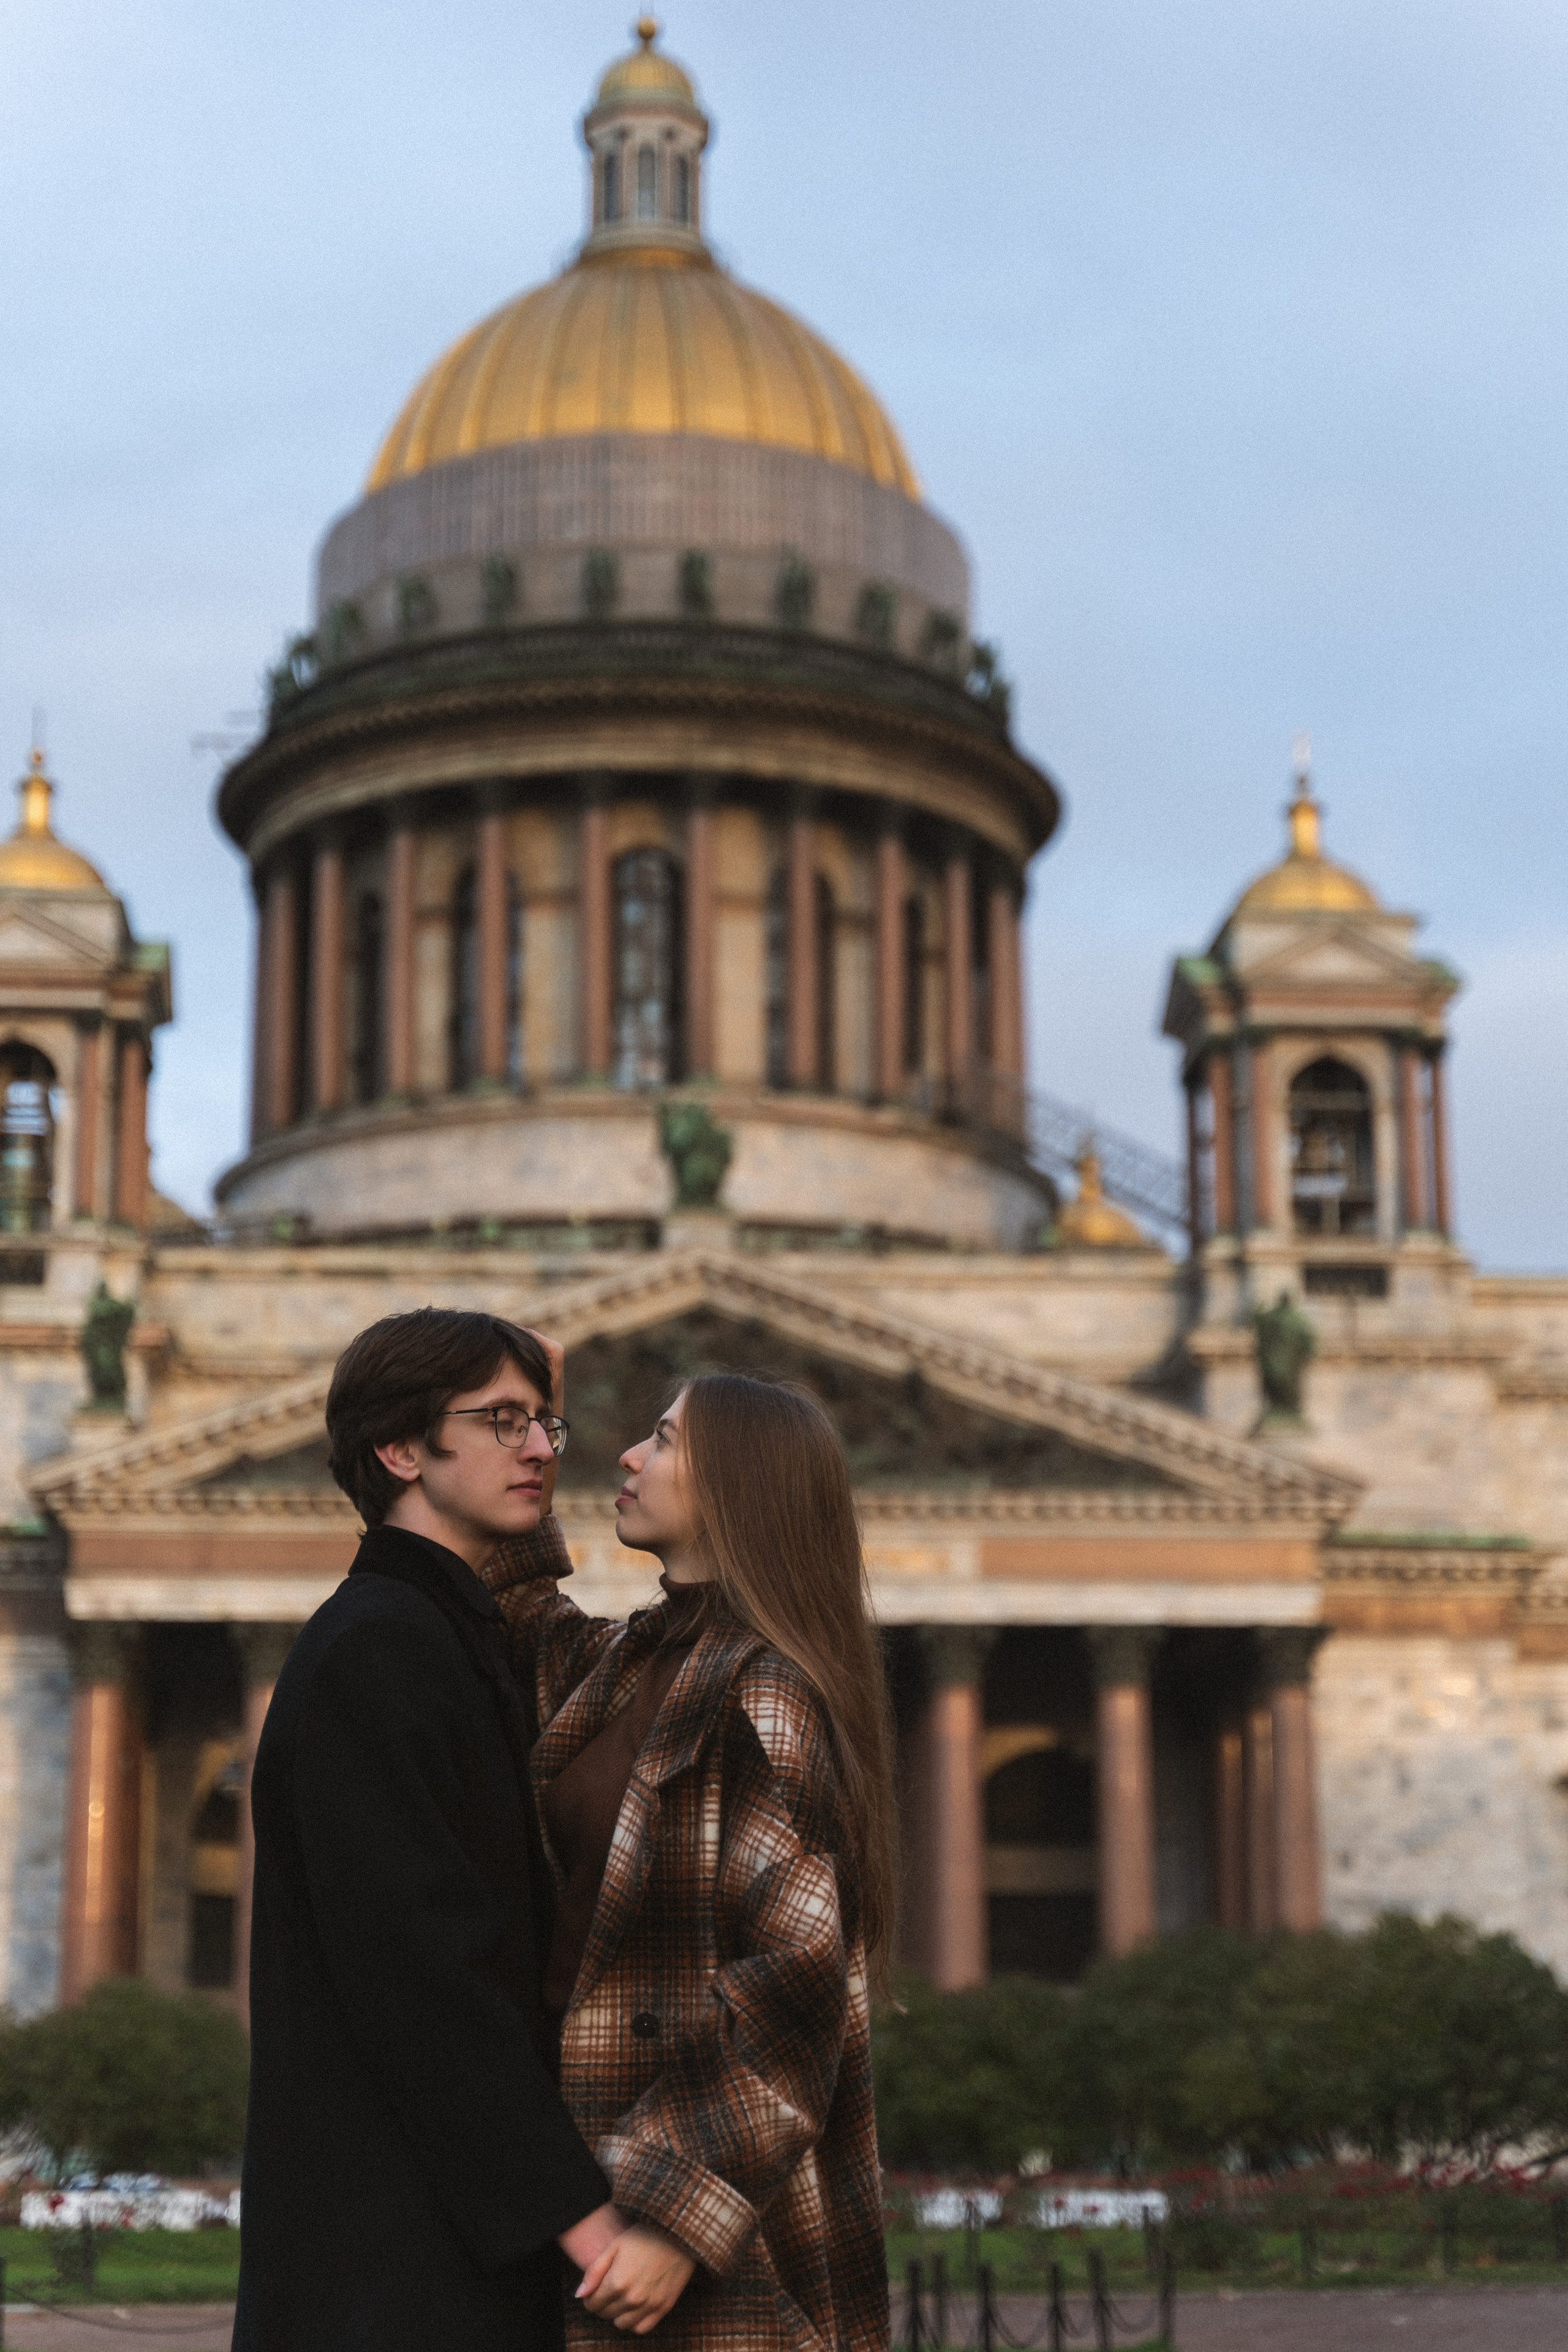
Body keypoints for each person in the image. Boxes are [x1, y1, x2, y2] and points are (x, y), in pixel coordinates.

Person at [233, 1308, 625, 2352]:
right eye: (504, 1420)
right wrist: (583, 2223)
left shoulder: (436, 1636)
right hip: (400, 2276)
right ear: (400, 1449)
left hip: (422, 2256)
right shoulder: (380, 1653)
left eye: (548, 1421)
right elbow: (428, 1982)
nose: (541, 1448)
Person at [484, 1371, 895, 2350]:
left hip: (715, 2241)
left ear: (735, 1490)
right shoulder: (635, 1660)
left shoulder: (764, 1693)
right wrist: (518, 1413)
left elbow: (794, 1988)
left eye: (662, 1441)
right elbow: (521, 1614)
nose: (624, 1456)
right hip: (604, 2180)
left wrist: (676, 2217)